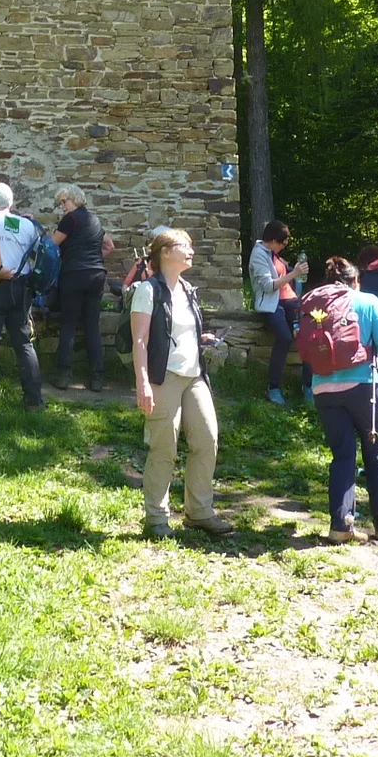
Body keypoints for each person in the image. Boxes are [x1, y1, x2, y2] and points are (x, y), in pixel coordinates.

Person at [131, 227, 234, 537]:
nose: (191, 250)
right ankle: (157, 519)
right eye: (184, 246)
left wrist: (200, 338)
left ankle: (199, 512)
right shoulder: (148, 290)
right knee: (164, 448)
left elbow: (179, 330)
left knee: (207, 440)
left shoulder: (188, 289)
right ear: (165, 252)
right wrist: (143, 383)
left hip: (194, 376)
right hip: (163, 377)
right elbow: (140, 340)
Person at [311, 258, 378, 545]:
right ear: (355, 281)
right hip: (365, 387)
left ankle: (340, 526)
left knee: (343, 456)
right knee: (376, 455)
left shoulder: (316, 304)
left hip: (324, 388)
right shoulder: (368, 301)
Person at [0, 182, 44, 410]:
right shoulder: (27, 224)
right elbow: (36, 251)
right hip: (22, 286)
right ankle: (34, 400)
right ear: (11, 203)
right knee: (24, 343)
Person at [51, 184, 114, 390]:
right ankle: (97, 377)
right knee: (92, 326)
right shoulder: (95, 220)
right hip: (96, 275)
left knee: (68, 325)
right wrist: (94, 260)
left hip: (74, 275)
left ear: (75, 199)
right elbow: (109, 246)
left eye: (64, 201)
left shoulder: (71, 219)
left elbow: (52, 245)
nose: (62, 207)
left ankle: (63, 375)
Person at [249, 220, 310, 405]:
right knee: (284, 337)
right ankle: (273, 387)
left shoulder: (273, 254)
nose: (284, 247)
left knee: (307, 335)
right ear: (274, 240)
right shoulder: (258, 255)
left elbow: (285, 276)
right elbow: (268, 287)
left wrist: (292, 271)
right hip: (271, 304)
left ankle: (308, 385)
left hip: (290, 301)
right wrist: (294, 273)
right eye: (283, 243)